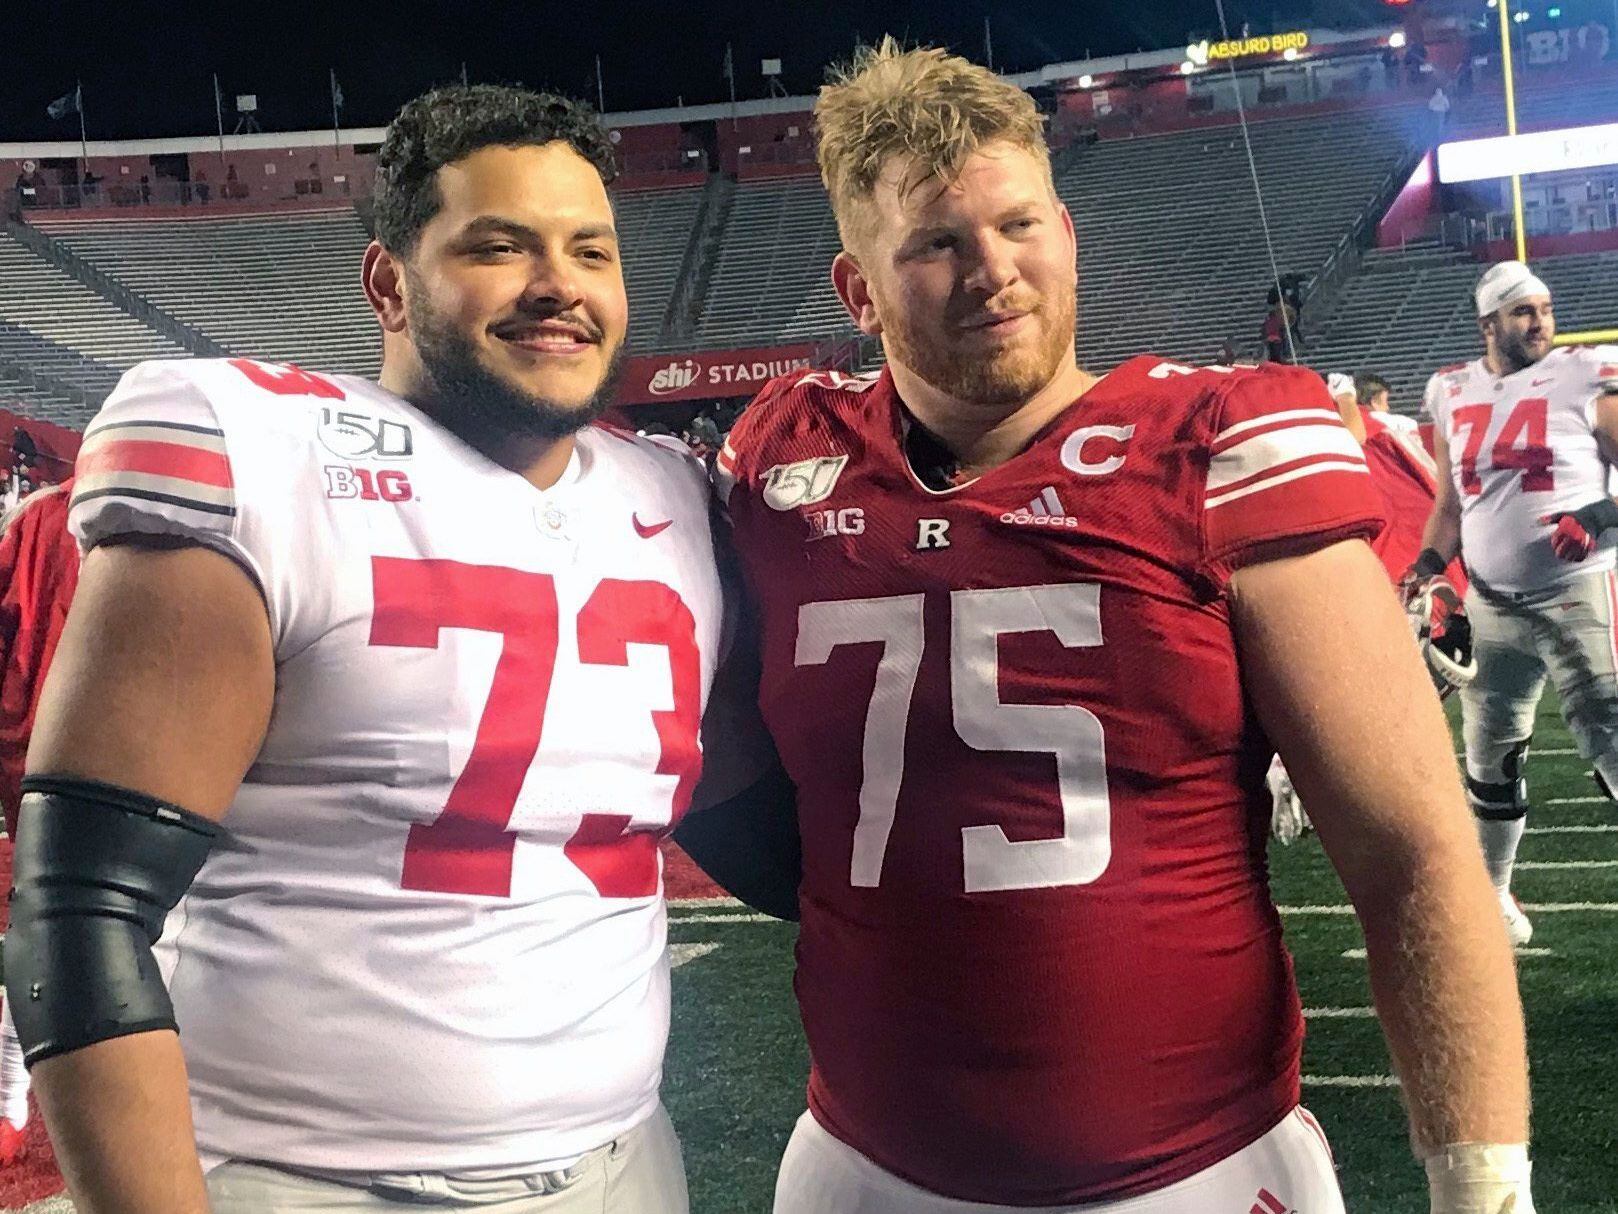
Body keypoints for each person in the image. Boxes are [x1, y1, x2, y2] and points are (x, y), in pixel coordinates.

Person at [704, 40, 1532, 1214]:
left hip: (1190, 1170)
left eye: (1020, 223)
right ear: (859, 291)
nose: (994, 270)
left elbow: (1410, 851)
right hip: (861, 1164)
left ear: (1069, 229)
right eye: (937, 243)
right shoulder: (782, 453)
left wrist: (1484, 1185)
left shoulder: (1216, 442)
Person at [10, 84, 724, 1214]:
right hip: (299, 1179)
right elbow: (78, 913)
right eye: (499, 245)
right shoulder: (261, 455)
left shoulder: (676, 497)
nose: (559, 284)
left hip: (623, 1162)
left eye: (590, 248)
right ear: (389, 282)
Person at [1411, 259, 1618, 949]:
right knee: (1489, 757)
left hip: (1576, 593)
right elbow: (1449, 504)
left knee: (1611, 741)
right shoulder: (1450, 389)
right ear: (1489, 323)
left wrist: (1597, 514)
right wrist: (1427, 567)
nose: (1541, 322)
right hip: (1492, 604)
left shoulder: (1584, 373)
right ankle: (1494, 896)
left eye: (1546, 309)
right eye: (1525, 311)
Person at [0, 477, 78, 1166]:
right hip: (43, 755)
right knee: (48, 918)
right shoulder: (43, 518)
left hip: (154, 749)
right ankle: (9, 1091)